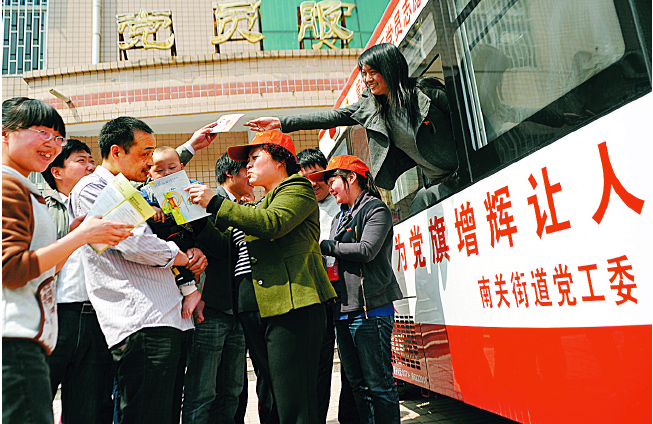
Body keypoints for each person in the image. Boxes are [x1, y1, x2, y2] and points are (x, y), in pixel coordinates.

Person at [186, 130, 337, 424]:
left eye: (255, 157)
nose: (248, 166)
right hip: (254, 307)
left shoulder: (298, 188)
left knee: (294, 398)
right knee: (270, 396)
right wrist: (195, 216)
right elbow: (224, 247)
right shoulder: (255, 204)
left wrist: (215, 203)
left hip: (291, 303)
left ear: (280, 160)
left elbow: (272, 224)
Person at [69, 116, 209, 424]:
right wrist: (182, 258)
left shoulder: (125, 189)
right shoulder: (94, 188)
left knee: (164, 412)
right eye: (145, 153)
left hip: (163, 314)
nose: (150, 161)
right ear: (116, 152)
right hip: (141, 319)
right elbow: (136, 243)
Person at [2, 97, 132, 424]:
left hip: (32, 337)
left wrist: (75, 239)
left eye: (57, 136)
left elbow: (41, 270)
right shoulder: (7, 186)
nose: (52, 143)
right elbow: (10, 269)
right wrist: (80, 237)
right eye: (41, 132)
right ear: (5, 133)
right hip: (14, 339)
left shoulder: (22, 187)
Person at [246, 43, 459, 213]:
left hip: (464, 169)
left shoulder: (426, 92)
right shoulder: (371, 105)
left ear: (390, 69)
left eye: (372, 72)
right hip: (438, 181)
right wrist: (281, 123)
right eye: (364, 73)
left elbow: (464, 123)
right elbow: (332, 117)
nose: (367, 79)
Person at [307, 154, 403, 424]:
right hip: (342, 308)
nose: (329, 188)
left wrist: (325, 246)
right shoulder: (340, 216)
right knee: (357, 384)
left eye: (332, 181)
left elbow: (367, 249)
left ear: (351, 178)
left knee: (379, 384)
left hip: (370, 309)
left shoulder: (375, 209)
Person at [41, 139, 119, 423]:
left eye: (91, 160)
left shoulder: (107, 206)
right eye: (81, 160)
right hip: (54, 318)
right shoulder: (42, 208)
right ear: (56, 171)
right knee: (36, 402)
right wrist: (72, 236)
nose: (90, 166)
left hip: (98, 317)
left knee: (89, 408)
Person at [182, 153, 251, 424]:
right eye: (247, 169)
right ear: (230, 173)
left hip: (237, 312)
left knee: (231, 392)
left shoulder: (244, 206)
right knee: (202, 392)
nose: (251, 175)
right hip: (209, 310)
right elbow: (218, 248)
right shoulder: (206, 204)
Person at [296, 148, 358, 424]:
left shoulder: (344, 204)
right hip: (318, 294)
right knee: (319, 364)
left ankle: (350, 418)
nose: (312, 183)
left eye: (316, 176)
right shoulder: (301, 207)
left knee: (351, 361)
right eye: (305, 178)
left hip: (345, 290)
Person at [141, 146, 204, 319]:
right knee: (175, 262)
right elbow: (139, 204)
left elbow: (203, 193)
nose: (167, 173)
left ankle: (196, 294)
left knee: (195, 264)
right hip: (166, 238)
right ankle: (191, 292)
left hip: (189, 234)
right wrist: (151, 209)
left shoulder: (190, 185)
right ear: (149, 173)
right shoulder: (146, 192)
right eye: (159, 170)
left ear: (181, 167)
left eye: (172, 167)